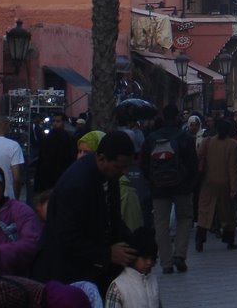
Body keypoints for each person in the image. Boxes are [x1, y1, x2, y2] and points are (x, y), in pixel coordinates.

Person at [33, 130, 137, 294]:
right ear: (102, 159)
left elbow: (113, 216)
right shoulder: (76, 184)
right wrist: (107, 254)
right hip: (66, 275)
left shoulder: (109, 175)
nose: (124, 172)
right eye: (119, 166)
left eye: (127, 166)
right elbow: (67, 236)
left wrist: (137, 245)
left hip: (91, 271)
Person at [141, 104, 198, 274]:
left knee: (161, 224)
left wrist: (152, 180)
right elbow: (193, 163)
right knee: (185, 219)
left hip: (159, 188)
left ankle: (166, 262)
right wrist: (190, 183)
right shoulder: (185, 137)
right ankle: (180, 254)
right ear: (178, 117)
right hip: (182, 187)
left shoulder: (152, 138)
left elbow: (144, 163)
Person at [196, 117, 237, 251]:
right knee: (227, 213)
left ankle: (200, 239)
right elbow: (233, 167)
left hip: (208, 181)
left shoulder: (207, 141)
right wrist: (234, 187)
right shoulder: (232, 144)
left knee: (205, 211)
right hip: (224, 183)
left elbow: (199, 156)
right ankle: (229, 240)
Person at [104, 226, 161, 308]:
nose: (149, 262)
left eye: (152, 258)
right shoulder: (117, 287)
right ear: (133, 256)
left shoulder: (153, 281)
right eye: (145, 258)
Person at [35, 112, 76, 192]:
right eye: (53, 121)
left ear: (63, 122)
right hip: (48, 178)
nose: (55, 124)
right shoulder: (48, 138)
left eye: (58, 121)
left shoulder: (68, 138)